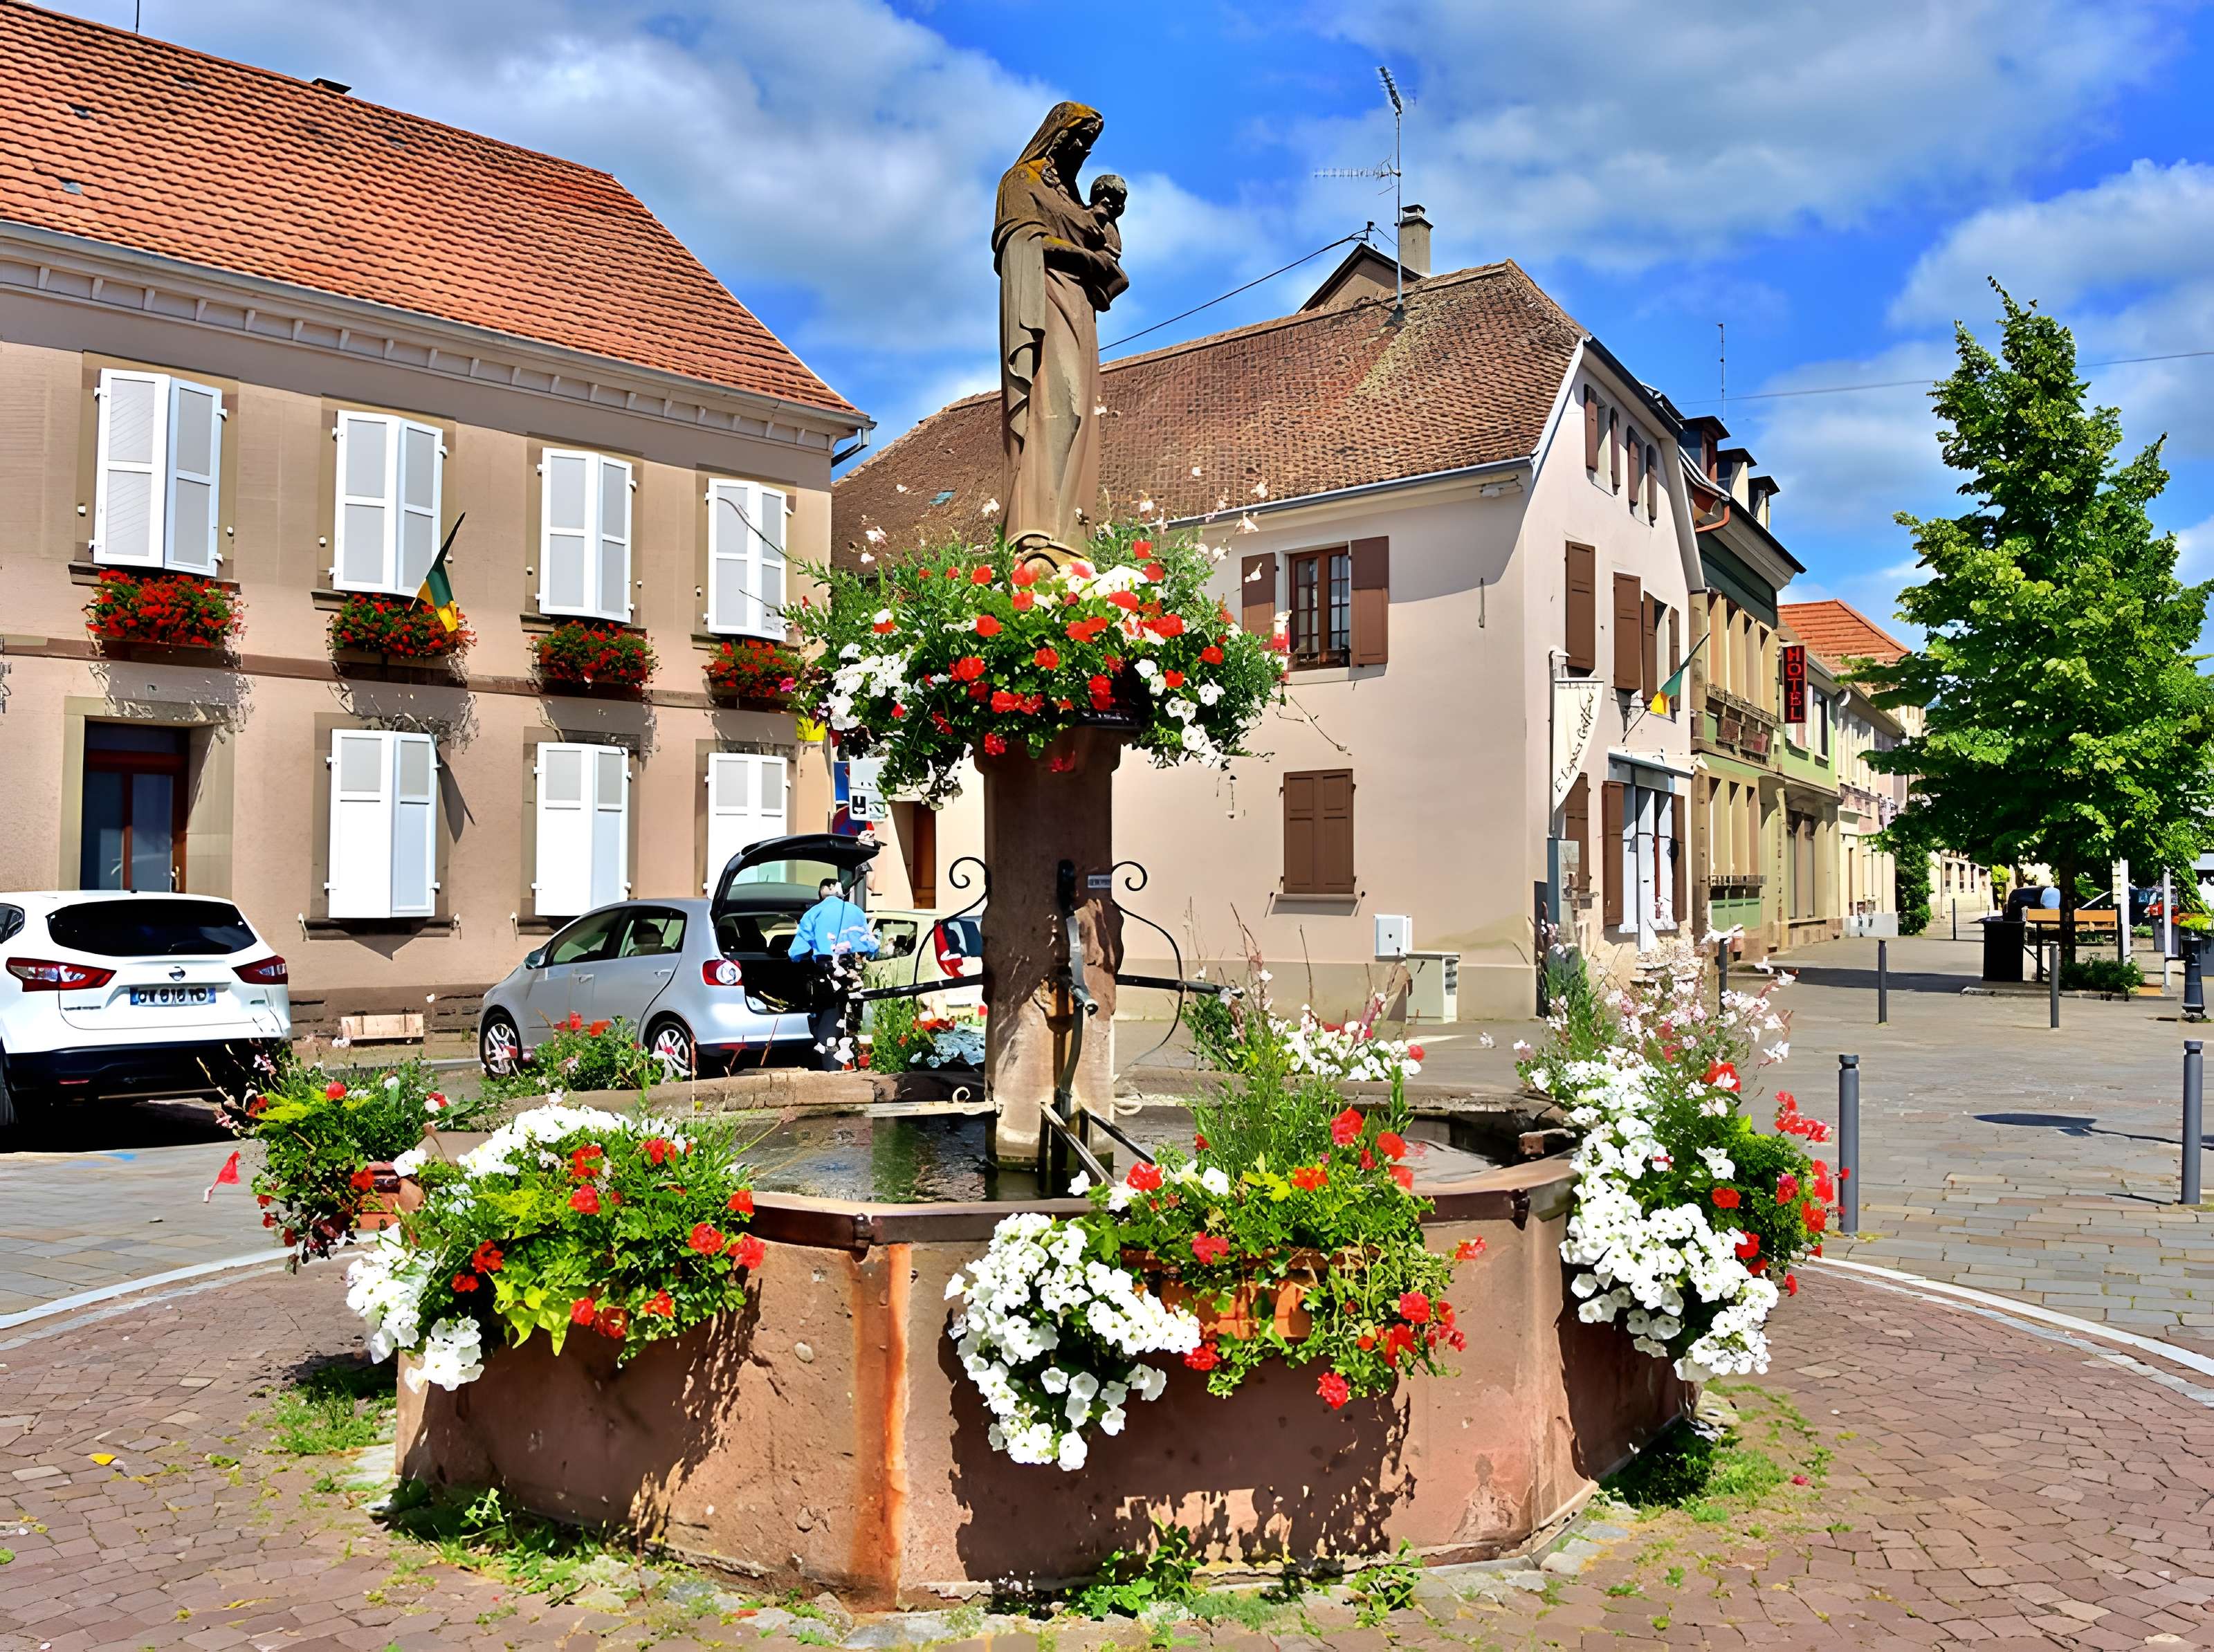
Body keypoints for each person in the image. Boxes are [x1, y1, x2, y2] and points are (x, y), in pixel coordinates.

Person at [790, 875, 877, 1070]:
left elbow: (795, 953)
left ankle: (833, 1073)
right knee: (858, 1030)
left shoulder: (814, 914)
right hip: (857, 977)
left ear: (822, 892)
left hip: (828, 980)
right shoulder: (856, 911)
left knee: (829, 1034)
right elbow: (871, 947)